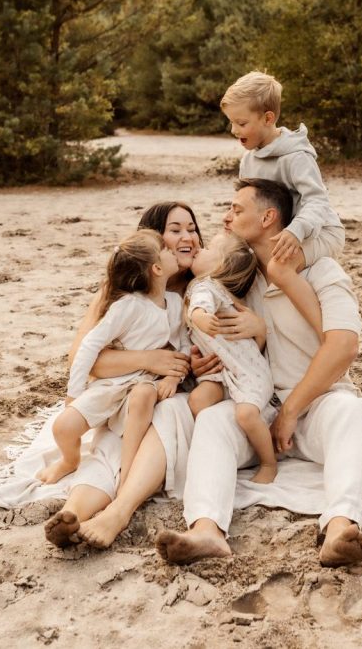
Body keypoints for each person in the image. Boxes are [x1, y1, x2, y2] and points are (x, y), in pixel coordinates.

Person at [156, 179, 362, 568]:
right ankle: (207, 530)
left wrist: (290, 411)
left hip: (315, 403)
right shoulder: (236, 276)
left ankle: (340, 527)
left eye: (237, 209)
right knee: (212, 422)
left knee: (351, 413)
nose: (225, 217)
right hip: (256, 402)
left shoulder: (322, 272)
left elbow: (344, 346)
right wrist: (209, 359)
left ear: (269, 218)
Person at [41, 202, 266, 550]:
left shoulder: (207, 286)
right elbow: (82, 356)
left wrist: (256, 328)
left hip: (175, 397)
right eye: (174, 231)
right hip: (131, 390)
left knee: (163, 414)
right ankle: (71, 513)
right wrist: (151, 359)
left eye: (191, 228)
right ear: (153, 244)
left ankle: (119, 511)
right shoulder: (124, 291)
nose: (188, 237)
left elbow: (244, 355)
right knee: (112, 442)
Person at [35, 229, 185, 487]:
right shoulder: (129, 305)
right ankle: (69, 461)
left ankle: (126, 472)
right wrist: (74, 392)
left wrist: (173, 376)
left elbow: (181, 346)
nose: (172, 249)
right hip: (112, 384)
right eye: (166, 250)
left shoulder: (175, 303)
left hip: (142, 383)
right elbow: (90, 344)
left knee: (144, 395)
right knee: (62, 427)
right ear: (157, 269)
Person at [220, 70, 346, 337]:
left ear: (268, 118)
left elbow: (317, 200)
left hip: (319, 231)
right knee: (239, 263)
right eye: (231, 123)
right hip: (279, 234)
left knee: (279, 267)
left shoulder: (296, 156)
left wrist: (296, 231)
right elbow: (247, 202)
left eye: (241, 123)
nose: (234, 130)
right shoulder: (249, 161)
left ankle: (324, 334)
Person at [186, 232, 282, 484]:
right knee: (197, 400)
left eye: (208, 250)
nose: (200, 249)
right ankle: (215, 446)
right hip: (224, 371)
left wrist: (200, 317)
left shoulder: (206, 286)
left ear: (220, 266)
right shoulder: (209, 288)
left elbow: (200, 306)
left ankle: (269, 462)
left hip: (250, 374)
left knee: (246, 415)